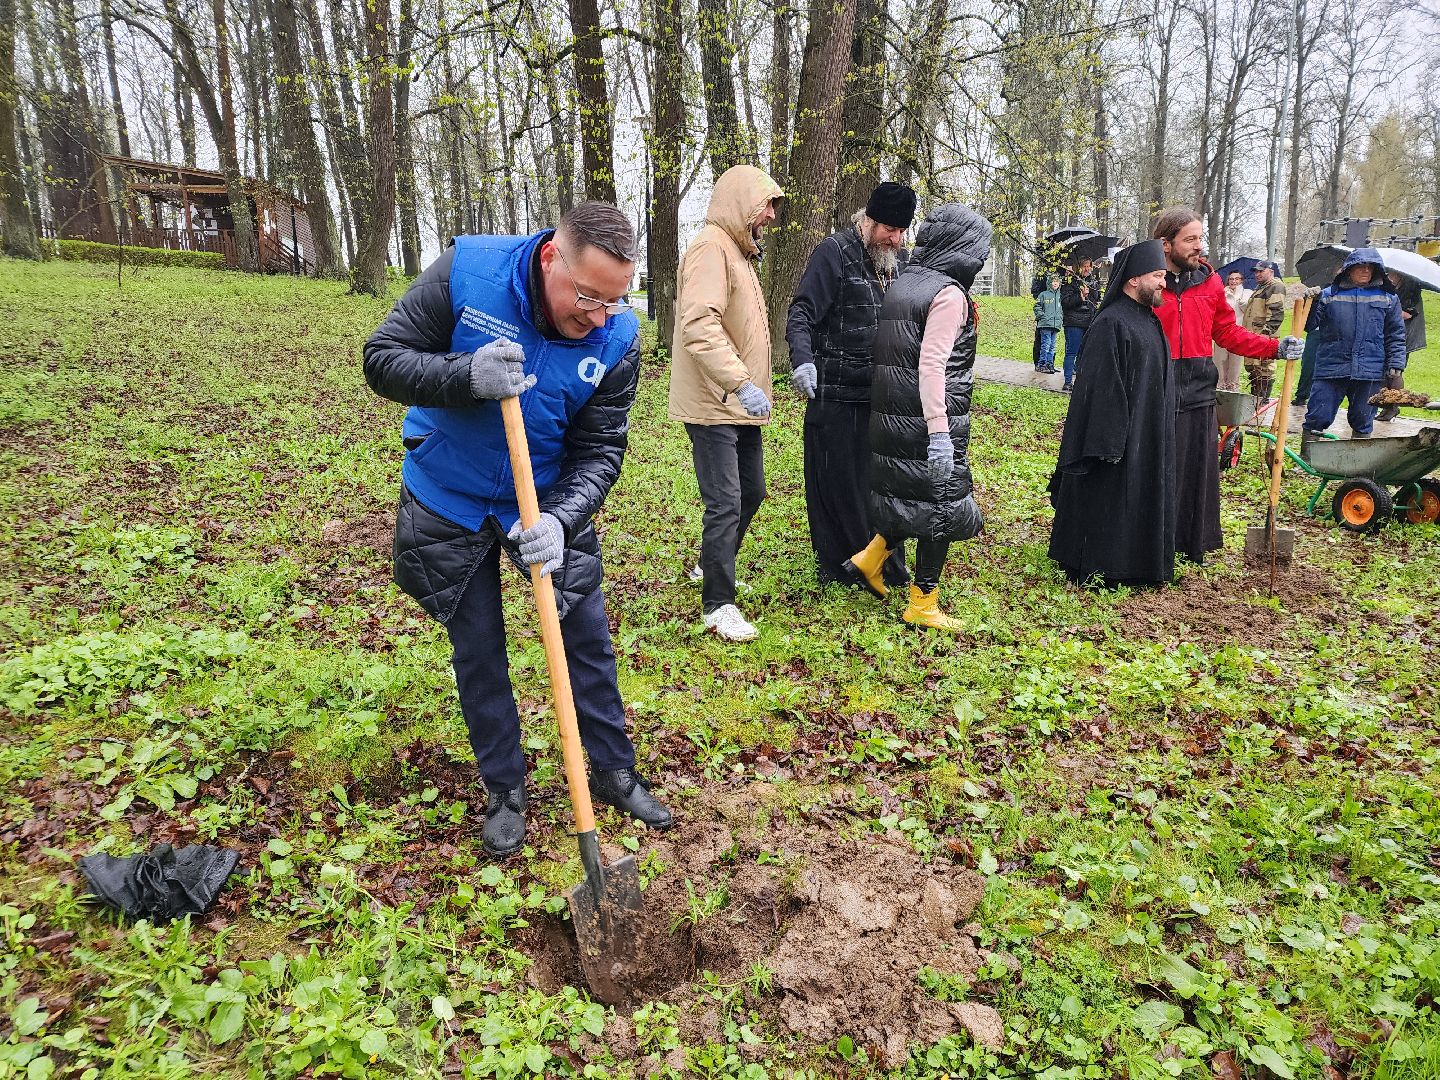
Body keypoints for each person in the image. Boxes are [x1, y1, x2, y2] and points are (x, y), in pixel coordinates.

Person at [363, 201, 673, 857]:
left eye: (613, 302)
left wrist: (561, 520)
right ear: (551, 256)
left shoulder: (617, 339)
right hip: (449, 493)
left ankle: (614, 771)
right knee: (479, 651)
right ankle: (505, 789)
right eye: (587, 296)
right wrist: (462, 375)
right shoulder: (467, 272)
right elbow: (382, 358)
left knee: (586, 638)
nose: (597, 316)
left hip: (543, 501)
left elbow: (601, 450)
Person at [843, 204, 989, 632]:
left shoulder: (906, 282)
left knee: (907, 495)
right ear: (963, 248)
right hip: (927, 421)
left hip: (894, 417)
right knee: (939, 507)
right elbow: (932, 366)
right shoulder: (947, 294)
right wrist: (940, 433)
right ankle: (923, 603)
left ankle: (869, 560)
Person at [669, 164, 784, 642]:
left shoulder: (737, 254)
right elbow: (699, 324)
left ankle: (713, 564)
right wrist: (739, 381)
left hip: (739, 403)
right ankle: (718, 604)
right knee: (726, 502)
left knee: (751, 492)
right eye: (766, 207)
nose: (771, 219)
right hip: (715, 401)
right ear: (741, 204)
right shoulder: (710, 250)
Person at [1150, 207, 1301, 564]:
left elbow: (1226, 332)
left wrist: (1274, 348)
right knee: (1161, 463)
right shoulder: (1148, 280)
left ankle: (1191, 541)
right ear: (1165, 243)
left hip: (1200, 383)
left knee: (1196, 466)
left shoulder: (1210, 281)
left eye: (1201, 238)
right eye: (1190, 239)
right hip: (1157, 381)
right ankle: (1155, 540)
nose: (1198, 246)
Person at [786, 181, 916, 589]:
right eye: (888, 231)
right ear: (869, 220)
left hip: (881, 396)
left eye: (900, 232)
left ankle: (882, 563)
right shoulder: (834, 253)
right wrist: (803, 360)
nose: (894, 239)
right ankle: (839, 566)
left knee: (877, 485)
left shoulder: (899, 261)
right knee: (837, 483)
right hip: (836, 395)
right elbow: (802, 312)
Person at [1048, 240, 1176, 587]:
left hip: (1146, 433)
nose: (1164, 283)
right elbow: (1100, 390)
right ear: (1133, 279)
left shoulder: (1149, 321)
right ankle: (1104, 565)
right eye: (1157, 276)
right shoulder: (1111, 324)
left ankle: (1139, 563)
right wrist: (1110, 442)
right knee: (1111, 500)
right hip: (1117, 440)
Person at [1301, 248, 1407, 439]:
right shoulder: (1327, 295)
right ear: (1348, 268)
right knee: (1318, 414)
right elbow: (1309, 326)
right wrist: (1312, 302)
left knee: (1363, 417)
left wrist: (1396, 364)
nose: (1366, 271)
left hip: (1370, 369)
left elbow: (1396, 334)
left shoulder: (1388, 298)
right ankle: (1308, 455)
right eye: (1360, 266)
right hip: (1331, 366)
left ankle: (1356, 460)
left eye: (1370, 267)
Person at [1376, 270, 1427, 422]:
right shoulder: (1387, 287)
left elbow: (1409, 314)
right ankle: (1387, 406)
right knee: (1383, 372)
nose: (1389, 277)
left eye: (1392, 274)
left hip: (1404, 337)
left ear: (1400, 275)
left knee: (1395, 372)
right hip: (1387, 335)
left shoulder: (1412, 289)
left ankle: (1393, 406)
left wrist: (1387, 309)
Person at [1240, 258, 1287, 401]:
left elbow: (1276, 313)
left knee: (1264, 367)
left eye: (1261, 271)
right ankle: (1256, 398)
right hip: (1254, 335)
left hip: (1263, 336)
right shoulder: (1261, 287)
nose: (1257, 274)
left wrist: (1266, 335)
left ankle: (1262, 399)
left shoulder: (1275, 286)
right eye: (1256, 271)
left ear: (1271, 271)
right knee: (1255, 368)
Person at [1059, 256, 1100, 392]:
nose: (1087, 268)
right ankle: (1068, 381)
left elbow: (1096, 301)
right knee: (1072, 352)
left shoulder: (1093, 282)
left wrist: (1089, 295)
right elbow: (1065, 302)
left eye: (1089, 266)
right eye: (1084, 266)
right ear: (1079, 267)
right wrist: (1080, 296)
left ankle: (1082, 382)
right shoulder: (1070, 281)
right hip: (1074, 321)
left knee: (1085, 353)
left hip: (1089, 321)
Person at [1211, 270, 1249, 392]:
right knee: (1219, 364)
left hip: (1238, 334)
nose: (1234, 281)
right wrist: (1225, 294)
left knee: (1235, 366)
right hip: (1222, 333)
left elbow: (1246, 308)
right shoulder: (1223, 292)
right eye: (1231, 279)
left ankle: (1232, 390)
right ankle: (1219, 389)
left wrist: (1237, 295)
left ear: (1241, 281)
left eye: (1237, 279)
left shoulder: (1247, 293)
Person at [1033, 274, 1063, 374]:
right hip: (1045, 324)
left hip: (1055, 324)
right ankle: (1042, 364)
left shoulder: (1059, 296)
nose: (1055, 283)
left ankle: (1050, 364)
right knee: (1045, 345)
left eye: (1057, 281)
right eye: (1053, 281)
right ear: (1049, 282)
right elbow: (1037, 306)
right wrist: (1042, 315)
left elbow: (1061, 310)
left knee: (1052, 346)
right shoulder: (1044, 295)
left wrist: (1060, 319)